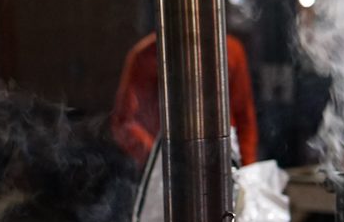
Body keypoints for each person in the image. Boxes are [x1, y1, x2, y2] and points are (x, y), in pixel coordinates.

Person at [111, 31, 259, 170]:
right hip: (166, 171)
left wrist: (245, 170)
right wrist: (160, 161)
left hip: (223, 164)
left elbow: (244, 117)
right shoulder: (146, 55)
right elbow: (125, 122)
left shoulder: (230, 50)